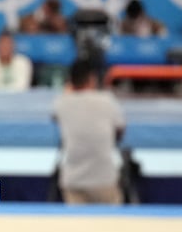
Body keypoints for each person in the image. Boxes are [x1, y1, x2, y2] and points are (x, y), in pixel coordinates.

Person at [52, 59, 126, 205]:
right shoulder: (107, 101)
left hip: (74, 181)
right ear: (92, 79)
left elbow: (55, 117)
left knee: (77, 226)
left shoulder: (61, 102)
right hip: (104, 181)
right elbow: (120, 131)